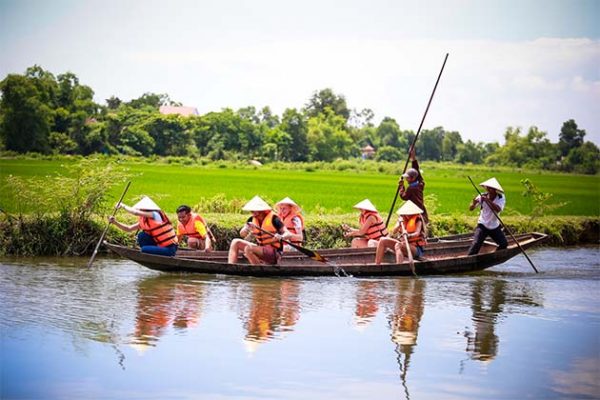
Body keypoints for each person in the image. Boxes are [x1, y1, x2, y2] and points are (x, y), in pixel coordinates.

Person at [227, 195, 293, 265]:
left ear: (262, 210)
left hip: (274, 252)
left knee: (248, 248)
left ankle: (258, 268)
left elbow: (289, 234)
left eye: (255, 210)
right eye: (252, 210)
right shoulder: (252, 219)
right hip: (260, 249)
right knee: (235, 242)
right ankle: (231, 265)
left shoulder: (274, 219)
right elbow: (242, 234)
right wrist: (247, 228)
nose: (252, 212)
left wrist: (281, 237)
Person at [109, 196, 178, 256]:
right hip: (160, 246)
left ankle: (149, 251)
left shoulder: (155, 214)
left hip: (170, 249)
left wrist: (122, 205)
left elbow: (135, 212)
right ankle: (151, 251)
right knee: (142, 235)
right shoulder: (144, 220)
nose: (139, 210)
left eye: (141, 209)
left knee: (144, 249)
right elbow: (128, 228)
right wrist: (115, 222)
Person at [375, 200, 427, 264]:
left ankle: (399, 266)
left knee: (398, 245)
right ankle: (377, 265)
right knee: (382, 240)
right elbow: (394, 231)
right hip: (403, 244)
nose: (407, 214)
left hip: (415, 249)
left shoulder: (418, 220)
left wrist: (408, 235)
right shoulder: (401, 219)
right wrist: (399, 223)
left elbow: (417, 233)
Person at [467, 177, 508, 255]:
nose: (489, 190)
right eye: (487, 188)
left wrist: (488, 200)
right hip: (482, 224)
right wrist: (474, 203)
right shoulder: (482, 196)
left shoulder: (500, 197)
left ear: (495, 189)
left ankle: (493, 256)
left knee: (503, 244)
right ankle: (468, 259)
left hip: (494, 226)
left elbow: (498, 209)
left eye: (491, 188)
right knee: (476, 244)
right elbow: (471, 209)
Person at [399, 147, 428, 224]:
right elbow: (416, 171)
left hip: (414, 210)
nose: (406, 179)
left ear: (413, 178)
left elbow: (404, 197)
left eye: (407, 178)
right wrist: (413, 159)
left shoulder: (411, 188)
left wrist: (401, 187)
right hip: (421, 208)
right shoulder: (420, 183)